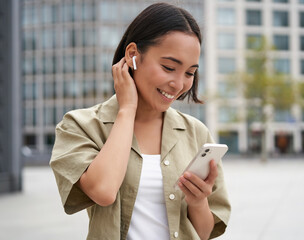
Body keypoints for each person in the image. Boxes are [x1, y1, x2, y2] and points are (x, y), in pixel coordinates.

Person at [50, 3, 231, 240]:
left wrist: (198, 202)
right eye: (169, 67)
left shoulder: (196, 132)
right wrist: (127, 109)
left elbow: (205, 233)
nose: (178, 84)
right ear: (133, 55)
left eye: (189, 73)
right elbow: (103, 191)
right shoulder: (80, 126)